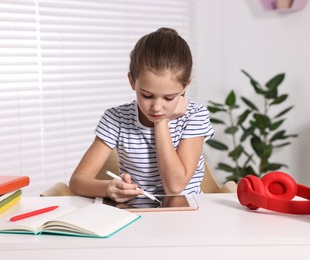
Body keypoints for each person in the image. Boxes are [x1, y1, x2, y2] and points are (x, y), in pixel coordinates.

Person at [69, 27, 214, 202]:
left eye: (169, 98)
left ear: (184, 87)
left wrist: (161, 123)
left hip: (187, 214)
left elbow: (174, 187)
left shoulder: (195, 116)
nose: (157, 107)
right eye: (147, 95)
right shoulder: (116, 118)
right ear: (132, 81)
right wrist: (107, 188)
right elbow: (78, 180)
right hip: (136, 217)